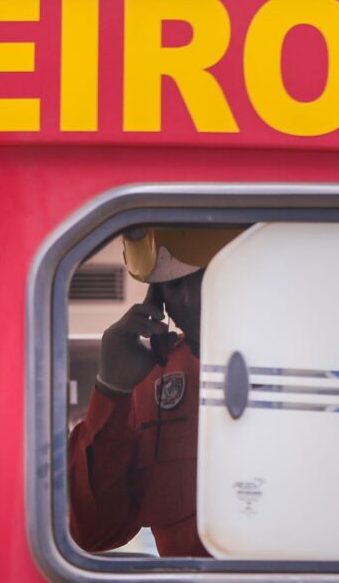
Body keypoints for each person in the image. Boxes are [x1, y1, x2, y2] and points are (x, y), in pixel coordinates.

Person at [67, 226, 241, 557]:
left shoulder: (308, 361)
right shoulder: (150, 384)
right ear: (157, 296)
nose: (190, 299)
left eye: (204, 278)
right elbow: (94, 532)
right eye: (173, 285)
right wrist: (112, 388)